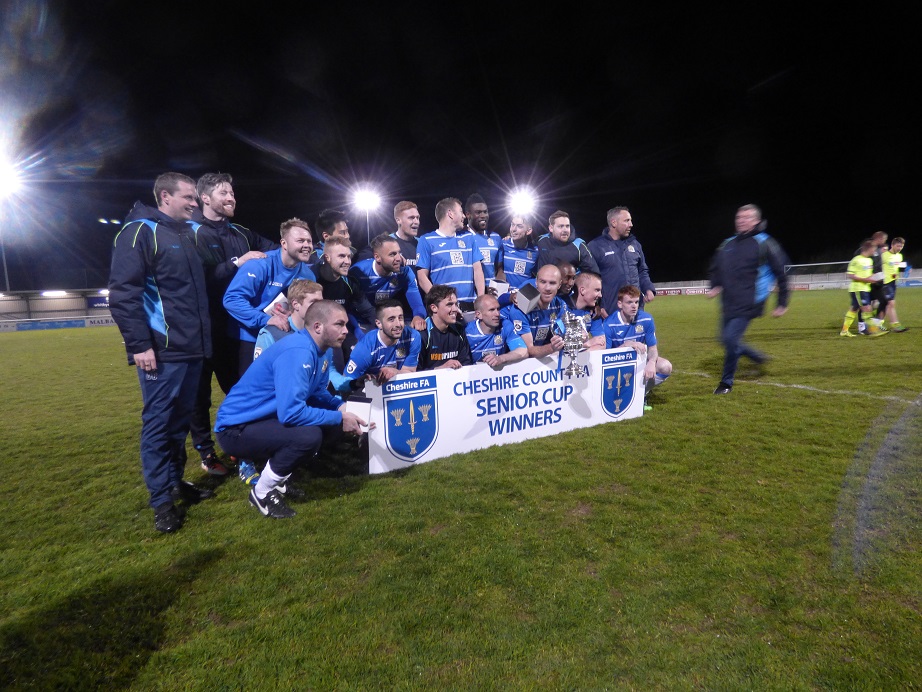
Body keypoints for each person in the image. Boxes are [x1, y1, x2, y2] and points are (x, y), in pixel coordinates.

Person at [108, 172, 213, 534]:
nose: (195, 204)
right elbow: (123, 294)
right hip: (162, 352)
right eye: (189, 197)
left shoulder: (184, 233)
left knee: (178, 425)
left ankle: (174, 483)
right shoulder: (139, 232)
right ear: (165, 196)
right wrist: (140, 345)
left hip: (192, 350)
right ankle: (161, 503)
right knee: (157, 426)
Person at [215, 301, 368, 519]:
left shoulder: (322, 350)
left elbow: (316, 393)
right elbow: (291, 413)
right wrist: (338, 417)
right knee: (308, 436)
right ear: (317, 327)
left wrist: (340, 406)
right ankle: (261, 493)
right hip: (235, 429)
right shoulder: (299, 352)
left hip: (263, 419)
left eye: (345, 324)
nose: (346, 330)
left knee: (329, 429)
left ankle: (279, 480)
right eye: (339, 324)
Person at [187, 172, 277, 475]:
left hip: (236, 331)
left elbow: (277, 250)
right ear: (206, 199)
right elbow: (197, 280)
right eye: (224, 193)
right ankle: (206, 452)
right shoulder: (192, 232)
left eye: (232, 193)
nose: (231, 198)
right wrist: (237, 264)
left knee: (240, 390)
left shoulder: (240, 232)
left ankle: (240, 445)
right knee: (199, 397)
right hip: (201, 330)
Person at [707, 204, 789, 395]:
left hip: (750, 301)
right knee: (725, 339)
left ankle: (726, 383)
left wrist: (782, 302)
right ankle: (756, 356)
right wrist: (715, 285)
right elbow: (716, 268)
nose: (741, 220)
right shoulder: (727, 243)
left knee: (730, 339)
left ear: (756, 221)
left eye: (747, 217)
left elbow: (782, 272)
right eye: (739, 217)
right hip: (728, 301)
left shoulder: (765, 243)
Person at [223, 218, 317, 377]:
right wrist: (264, 319)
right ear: (284, 243)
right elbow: (232, 299)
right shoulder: (259, 265)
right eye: (300, 240)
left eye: (309, 241)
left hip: (283, 337)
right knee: (251, 392)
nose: (307, 245)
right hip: (249, 338)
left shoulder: (308, 275)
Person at [593, 285, 672, 408]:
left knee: (665, 367)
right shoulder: (609, 324)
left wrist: (651, 362)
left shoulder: (646, 319)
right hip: (617, 365)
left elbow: (652, 348)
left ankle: (642, 395)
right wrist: (626, 345)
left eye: (636, 302)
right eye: (629, 302)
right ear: (620, 304)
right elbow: (604, 356)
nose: (634, 306)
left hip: (638, 361)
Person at [314, 235, 377, 369]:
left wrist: (383, 325)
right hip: (318, 334)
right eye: (341, 256)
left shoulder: (349, 282)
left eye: (349, 256)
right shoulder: (312, 279)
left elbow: (367, 310)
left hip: (343, 331)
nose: (347, 261)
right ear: (327, 258)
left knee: (363, 358)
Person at [587, 206, 656, 316]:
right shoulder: (595, 246)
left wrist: (648, 288)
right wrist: (597, 305)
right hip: (610, 311)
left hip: (636, 310)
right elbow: (589, 279)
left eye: (631, 220)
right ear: (614, 222)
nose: (631, 224)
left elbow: (642, 271)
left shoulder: (635, 245)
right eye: (627, 220)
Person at [416, 197, 485, 306]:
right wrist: (440, 302)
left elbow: (478, 270)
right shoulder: (426, 240)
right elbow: (422, 277)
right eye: (461, 212)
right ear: (450, 214)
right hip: (445, 309)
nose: (463, 216)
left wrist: (481, 300)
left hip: (470, 305)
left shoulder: (468, 237)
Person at [349, 234, 426, 330]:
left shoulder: (404, 273)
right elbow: (350, 307)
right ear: (377, 257)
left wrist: (418, 316)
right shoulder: (358, 272)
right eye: (392, 254)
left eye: (399, 253)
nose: (398, 258)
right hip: (362, 322)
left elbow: (417, 303)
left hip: (386, 320)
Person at [339, 300, 421, 389]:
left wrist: (396, 372)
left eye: (400, 318)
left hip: (398, 389)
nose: (398, 324)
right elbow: (347, 383)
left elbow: (409, 372)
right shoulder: (365, 348)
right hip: (369, 391)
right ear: (379, 324)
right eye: (391, 319)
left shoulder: (412, 337)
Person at [503, 264, 567, 358]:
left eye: (552, 283)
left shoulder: (560, 305)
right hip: (515, 362)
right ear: (536, 282)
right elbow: (529, 351)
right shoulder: (520, 309)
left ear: (559, 285)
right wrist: (552, 348)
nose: (547, 288)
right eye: (543, 282)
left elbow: (562, 334)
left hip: (541, 357)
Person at [418, 284, 473, 370]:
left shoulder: (459, 329)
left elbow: (467, 364)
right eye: (450, 305)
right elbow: (414, 373)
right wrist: (440, 369)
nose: (455, 309)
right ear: (434, 308)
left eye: (456, 304)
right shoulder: (422, 334)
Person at [465, 293, 528, 368]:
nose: (497, 314)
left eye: (498, 309)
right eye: (491, 310)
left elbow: (523, 351)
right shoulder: (467, 332)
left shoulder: (505, 325)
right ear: (479, 315)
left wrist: (501, 358)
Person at [534, 210, 600, 277]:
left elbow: (594, 274)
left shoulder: (580, 245)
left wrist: (574, 282)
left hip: (568, 287)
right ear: (551, 228)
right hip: (543, 285)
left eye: (567, 226)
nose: (565, 230)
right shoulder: (542, 240)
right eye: (561, 226)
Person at [841, 239, 885, 337]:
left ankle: (844, 331)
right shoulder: (856, 260)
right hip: (858, 289)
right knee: (867, 308)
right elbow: (850, 275)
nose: (874, 252)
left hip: (865, 289)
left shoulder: (869, 260)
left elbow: (869, 275)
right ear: (868, 249)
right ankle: (874, 331)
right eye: (873, 249)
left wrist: (877, 277)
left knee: (854, 309)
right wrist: (865, 280)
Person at [465, 193, 503, 285]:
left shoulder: (496, 238)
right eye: (478, 212)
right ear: (468, 215)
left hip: (490, 293)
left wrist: (498, 286)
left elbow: (500, 269)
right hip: (470, 294)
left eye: (485, 212)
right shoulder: (460, 237)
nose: (483, 215)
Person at [498, 213, 540, 289]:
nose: (513, 229)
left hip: (523, 298)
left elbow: (537, 276)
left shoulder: (535, 252)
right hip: (504, 297)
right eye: (512, 225)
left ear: (528, 231)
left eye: (519, 226)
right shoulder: (503, 245)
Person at [880, 237, 908, 332]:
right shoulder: (884, 255)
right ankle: (895, 325)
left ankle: (877, 323)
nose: (900, 248)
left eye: (901, 246)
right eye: (898, 246)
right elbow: (877, 266)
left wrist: (902, 269)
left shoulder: (899, 256)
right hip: (885, 282)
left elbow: (897, 268)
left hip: (893, 282)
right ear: (892, 245)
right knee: (891, 303)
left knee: (885, 304)